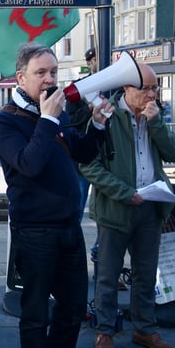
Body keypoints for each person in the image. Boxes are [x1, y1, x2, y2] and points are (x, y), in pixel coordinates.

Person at [0, 42, 112, 348]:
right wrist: (46, 120)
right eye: (40, 72)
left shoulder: (55, 113)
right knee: (35, 314)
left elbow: (82, 152)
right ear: (21, 78)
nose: (49, 79)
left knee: (72, 312)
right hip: (35, 231)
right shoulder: (5, 121)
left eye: (54, 71)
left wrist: (97, 124)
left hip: (69, 229)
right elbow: (29, 164)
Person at [80, 63, 175, 348]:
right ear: (127, 87)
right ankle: (104, 332)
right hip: (115, 209)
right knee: (108, 275)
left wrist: (157, 124)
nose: (152, 95)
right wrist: (124, 193)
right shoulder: (106, 116)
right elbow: (89, 165)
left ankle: (145, 330)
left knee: (146, 273)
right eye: (145, 88)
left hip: (150, 208)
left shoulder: (154, 117)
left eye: (155, 87)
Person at [65, 48, 99, 220]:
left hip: (107, 152)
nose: (99, 62)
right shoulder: (78, 89)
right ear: (88, 63)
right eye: (95, 59)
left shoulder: (115, 87)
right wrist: (89, 108)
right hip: (83, 153)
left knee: (107, 206)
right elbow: (71, 120)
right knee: (78, 200)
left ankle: (101, 243)